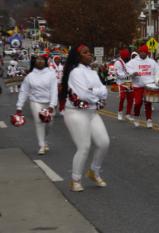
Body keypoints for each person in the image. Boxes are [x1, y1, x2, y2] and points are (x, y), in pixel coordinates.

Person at [60, 44, 110, 192]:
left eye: (89, 52)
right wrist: (97, 93)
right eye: (85, 52)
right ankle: (75, 180)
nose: (90, 55)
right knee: (84, 146)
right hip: (75, 112)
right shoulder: (75, 72)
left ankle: (94, 171)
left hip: (91, 112)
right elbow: (83, 95)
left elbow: (104, 91)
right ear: (78, 56)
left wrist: (95, 92)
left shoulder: (92, 72)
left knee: (104, 143)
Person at [15, 55, 57, 155]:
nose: (40, 61)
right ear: (34, 62)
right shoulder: (30, 76)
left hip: (49, 103)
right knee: (39, 122)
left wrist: (52, 105)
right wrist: (19, 106)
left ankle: (44, 139)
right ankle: (41, 145)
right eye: (37, 60)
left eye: (42, 60)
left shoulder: (51, 75)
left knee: (48, 124)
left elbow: (54, 90)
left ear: (45, 62)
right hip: (35, 102)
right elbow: (24, 91)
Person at [126, 45, 159, 128]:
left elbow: (158, 72)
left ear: (147, 52)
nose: (142, 53)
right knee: (137, 103)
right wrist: (133, 73)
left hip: (149, 85)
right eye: (141, 52)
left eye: (144, 52)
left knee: (148, 103)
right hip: (138, 85)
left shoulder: (152, 62)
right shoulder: (134, 61)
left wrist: (157, 81)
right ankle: (136, 117)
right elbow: (128, 68)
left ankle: (149, 120)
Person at [115, 49, 134, 121]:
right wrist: (129, 75)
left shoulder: (128, 62)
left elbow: (130, 71)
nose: (128, 57)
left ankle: (128, 114)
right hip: (122, 82)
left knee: (130, 99)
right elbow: (118, 74)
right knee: (122, 98)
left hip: (128, 82)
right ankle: (120, 113)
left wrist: (133, 74)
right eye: (127, 56)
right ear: (124, 56)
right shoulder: (118, 62)